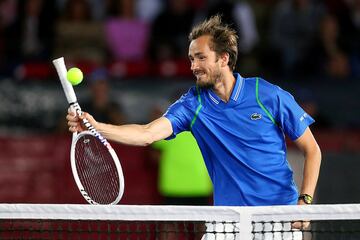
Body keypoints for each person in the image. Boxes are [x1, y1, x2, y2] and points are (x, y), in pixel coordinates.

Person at [66, 15, 321, 209]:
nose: (193, 66)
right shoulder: (193, 105)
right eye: (190, 59)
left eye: (200, 58)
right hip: (229, 219)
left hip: (278, 214)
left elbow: (312, 149)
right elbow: (146, 133)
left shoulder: (267, 95)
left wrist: (305, 202)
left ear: (223, 58)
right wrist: (96, 126)